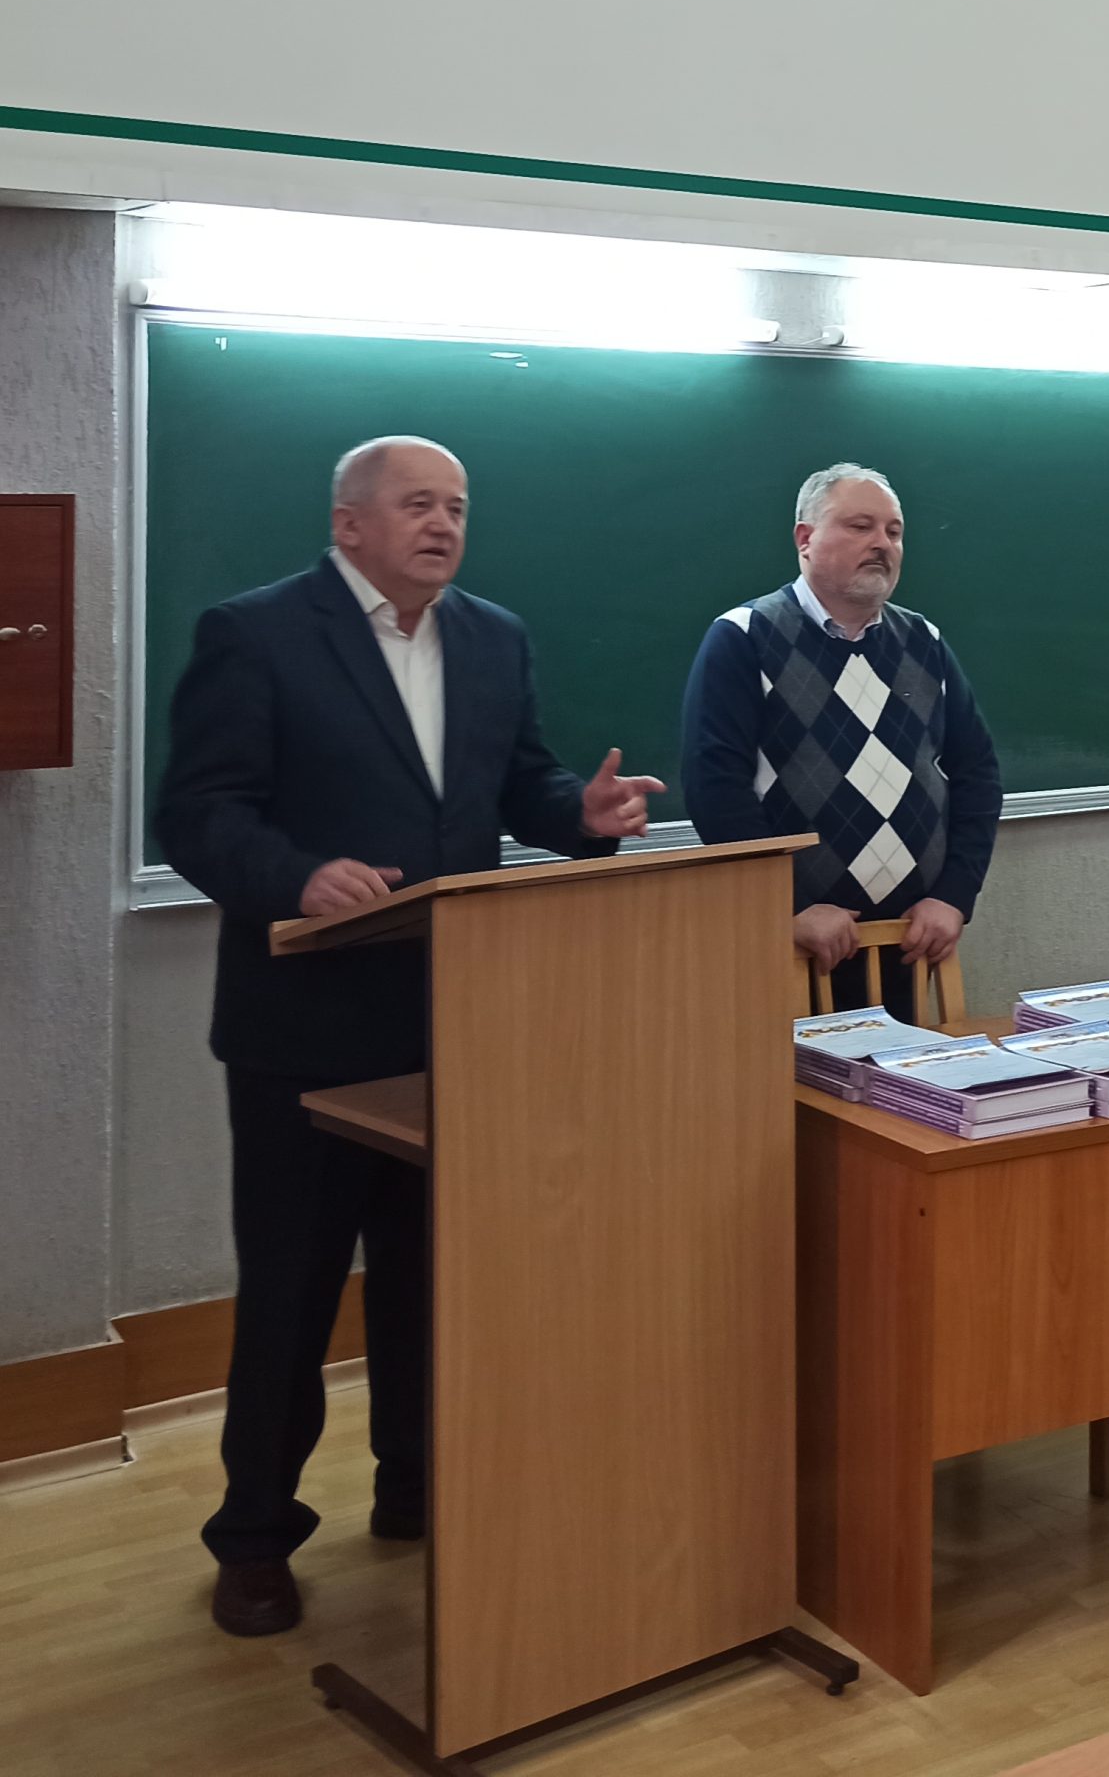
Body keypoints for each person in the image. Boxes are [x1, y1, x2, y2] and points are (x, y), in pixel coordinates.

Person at [156, 437, 660, 1640]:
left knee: (431, 1281)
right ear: (349, 524)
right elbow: (197, 813)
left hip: (449, 1020)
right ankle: (255, 1537)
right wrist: (295, 874)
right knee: (292, 1293)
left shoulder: (493, 637)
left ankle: (416, 1486)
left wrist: (581, 816)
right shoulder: (255, 633)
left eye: (458, 507)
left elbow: (519, 786)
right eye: (418, 504)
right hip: (304, 1031)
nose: (443, 524)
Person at [682, 464, 1002, 1004]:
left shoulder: (924, 641)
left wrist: (954, 895)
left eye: (894, 532)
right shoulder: (744, 637)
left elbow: (978, 774)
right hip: (792, 940)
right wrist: (789, 905)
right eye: (860, 526)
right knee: (787, 1064)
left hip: (907, 938)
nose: (882, 544)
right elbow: (715, 790)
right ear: (805, 539)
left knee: (907, 1063)